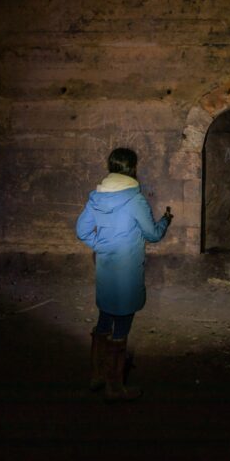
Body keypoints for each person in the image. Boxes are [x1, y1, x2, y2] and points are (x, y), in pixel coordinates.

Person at [75, 148, 172, 403]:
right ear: (132, 168)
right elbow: (153, 234)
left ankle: (97, 375)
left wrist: (102, 245)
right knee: (122, 325)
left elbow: (82, 231)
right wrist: (166, 220)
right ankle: (115, 387)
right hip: (127, 271)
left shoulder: (96, 197)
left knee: (105, 318)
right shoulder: (135, 200)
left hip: (106, 269)